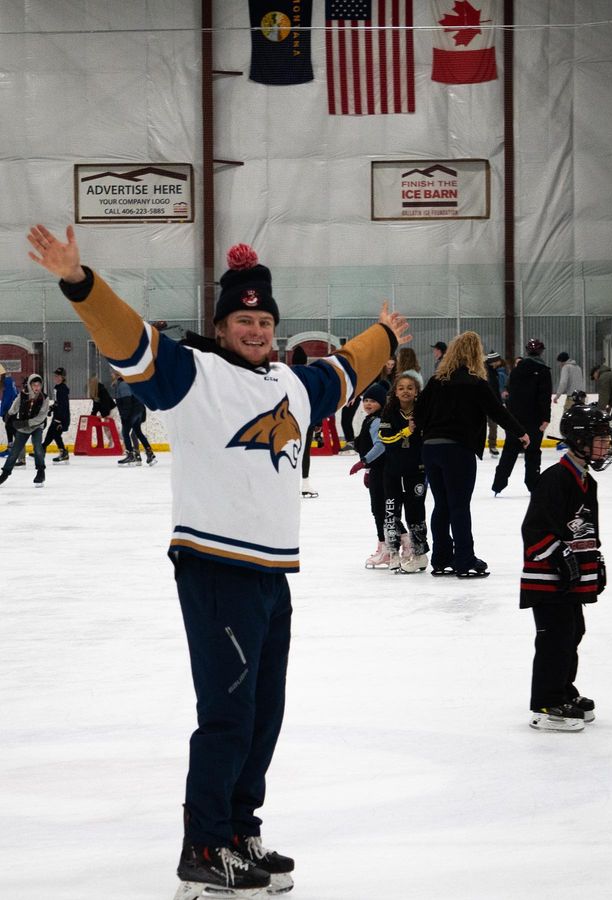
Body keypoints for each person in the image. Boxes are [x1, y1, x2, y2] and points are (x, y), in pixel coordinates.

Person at [27, 223, 409, 899]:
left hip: (272, 574)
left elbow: (348, 366)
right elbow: (129, 341)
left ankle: (238, 829)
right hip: (214, 565)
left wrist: (386, 336)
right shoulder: (194, 376)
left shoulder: (294, 385)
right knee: (228, 712)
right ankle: (203, 846)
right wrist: (79, 282)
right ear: (222, 324)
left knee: (264, 712)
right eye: (244, 319)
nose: (256, 330)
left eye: (264, 320)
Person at [520, 403, 612, 732]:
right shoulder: (555, 479)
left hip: (569, 582)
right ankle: (546, 703)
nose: (605, 444)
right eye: (599, 438)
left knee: (573, 632)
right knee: (554, 638)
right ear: (579, 441)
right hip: (547, 580)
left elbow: (587, 530)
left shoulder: (586, 481)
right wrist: (559, 556)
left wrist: (595, 561)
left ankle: (563, 691)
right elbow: (534, 531)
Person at [413, 332, 529, 577]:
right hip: (457, 450)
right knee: (459, 506)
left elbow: (419, 414)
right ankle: (464, 560)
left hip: (431, 448)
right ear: (476, 354)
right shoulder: (476, 383)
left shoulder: (435, 381)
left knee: (441, 505)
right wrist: (521, 433)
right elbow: (498, 411)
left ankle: (442, 558)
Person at [379, 372, 429, 573]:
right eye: (401, 388)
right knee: (391, 512)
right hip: (392, 471)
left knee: (416, 511)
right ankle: (393, 553)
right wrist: (405, 432)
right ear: (395, 392)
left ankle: (420, 553)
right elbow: (385, 439)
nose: (406, 391)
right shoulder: (389, 413)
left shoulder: (423, 413)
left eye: (410, 387)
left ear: (417, 391)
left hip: (417, 471)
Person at [492, 338, 552, 496]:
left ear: (527, 351)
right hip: (535, 419)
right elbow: (544, 396)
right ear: (541, 352)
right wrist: (546, 418)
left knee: (509, 450)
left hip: (516, 419)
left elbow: (511, 395)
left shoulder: (517, 370)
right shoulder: (544, 371)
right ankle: (533, 484)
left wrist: (509, 418)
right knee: (532, 452)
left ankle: (498, 484)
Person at [349, 383, 392, 568]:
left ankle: (388, 548)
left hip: (382, 471)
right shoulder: (371, 419)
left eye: (372, 401)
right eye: (365, 400)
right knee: (380, 510)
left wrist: (364, 462)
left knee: (381, 510)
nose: (367, 404)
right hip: (377, 470)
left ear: (381, 402)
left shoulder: (376, 421)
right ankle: (386, 547)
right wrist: (368, 469)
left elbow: (380, 445)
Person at [0, 373, 49, 487]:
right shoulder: (23, 395)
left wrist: (27, 422)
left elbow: (41, 417)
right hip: (23, 427)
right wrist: (9, 414)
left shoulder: (44, 398)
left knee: (37, 447)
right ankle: (5, 473)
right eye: (34, 385)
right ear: (30, 385)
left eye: (39, 385)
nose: (37, 387)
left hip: (37, 426)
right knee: (15, 451)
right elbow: (15, 405)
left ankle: (40, 472)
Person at [111, 371, 156, 466]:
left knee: (125, 433)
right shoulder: (128, 382)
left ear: (117, 374)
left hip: (132, 412)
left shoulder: (123, 384)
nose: (111, 375)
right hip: (137, 411)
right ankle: (150, 454)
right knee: (138, 432)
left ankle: (131, 456)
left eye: (112, 373)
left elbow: (127, 401)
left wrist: (124, 416)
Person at [290, 345, 318, 497]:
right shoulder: (311, 376)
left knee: (289, 452)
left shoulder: (287, 374)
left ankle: (289, 485)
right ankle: (305, 483)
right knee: (305, 451)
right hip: (307, 418)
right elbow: (315, 399)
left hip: (290, 419)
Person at [42, 366, 71, 463]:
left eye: (59, 376)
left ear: (63, 377)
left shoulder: (62, 389)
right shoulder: (57, 388)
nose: (56, 378)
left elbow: (63, 406)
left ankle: (63, 452)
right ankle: (42, 449)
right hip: (57, 416)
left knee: (55, 434)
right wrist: (51, 408)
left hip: (61, 417)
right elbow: (57, 403)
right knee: (51, 433)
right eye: (55, 376)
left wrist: (59, 420)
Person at [484, 351, 506, 457]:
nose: (499, 362)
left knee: (493, 425)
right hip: (484, 402)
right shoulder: (485, 371)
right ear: (494, 361)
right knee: (481, 425)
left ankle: (492, 446)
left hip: (493, 403)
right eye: (498, 360)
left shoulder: (494, 371)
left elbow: (496, 389)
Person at [0, 365, 19, 458]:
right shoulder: (10, 381)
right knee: (9, 427)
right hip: (12, 409)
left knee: (12, 428)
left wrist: (3, 411)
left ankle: (18, 450)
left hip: (10, 410)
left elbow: (7, 398)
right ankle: (11, 448)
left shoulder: (7, 383)